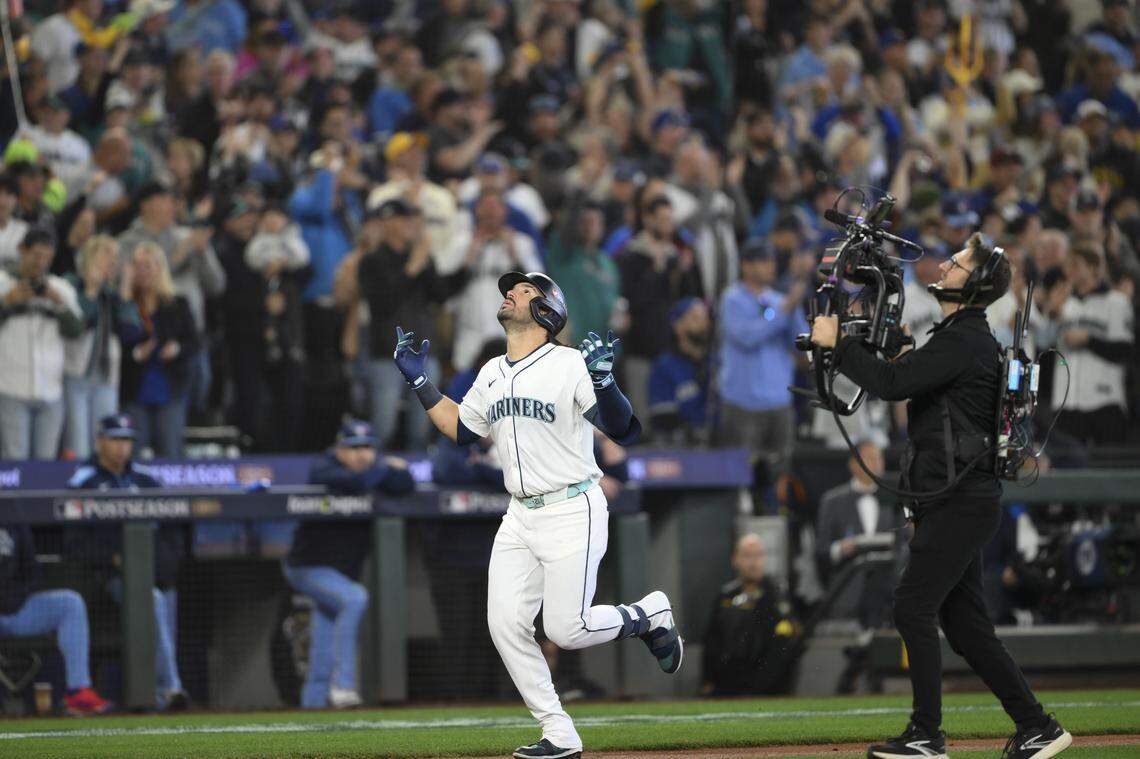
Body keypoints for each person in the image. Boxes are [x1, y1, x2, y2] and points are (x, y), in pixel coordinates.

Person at [394, 271, 682, 759]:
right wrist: (421, 382)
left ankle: (647, 614)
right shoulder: (491, 371)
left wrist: (606, 381)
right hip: (519, 515)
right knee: (505, 625)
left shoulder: (571, 363)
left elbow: (622, 429)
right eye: (510, 288)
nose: (510, 292)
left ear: (547, 310)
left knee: (566, 631)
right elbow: (462, 430)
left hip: (572, 505)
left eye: (523, 290)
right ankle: (559, 731)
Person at [810, 233, 1071, 759]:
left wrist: (838, 343)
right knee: (966, 625)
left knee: (912, 606)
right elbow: (917, 384)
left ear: (972, 284)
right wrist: (900, 352)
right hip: (961, 497)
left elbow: (888, 383)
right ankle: (1037, 726)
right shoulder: (961, 338)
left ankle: (927, 734)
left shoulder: (964, 339)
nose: (945, 265)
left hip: (961, 499)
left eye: (956, 263)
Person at [282, 420, 414, 709]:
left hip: (340, 572)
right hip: (307, 566)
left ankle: (313, 703)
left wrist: (387, 470)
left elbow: (407, 483)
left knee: (326, 629)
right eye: (354, 448)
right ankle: (343, 686)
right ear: (339, 450)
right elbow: (356, 482)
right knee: (355, 598)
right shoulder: (323, 466)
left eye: (367, 448)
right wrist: (384, 466)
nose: (362, 454)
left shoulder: (373, 470)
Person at [67, 413, 188, 710]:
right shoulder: (85, 481)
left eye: (127, 440)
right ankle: (169, 689)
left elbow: (173, 528)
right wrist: (111, 558)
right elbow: (73, 542)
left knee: (161, 595)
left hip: (154, 575)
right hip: (107, 579)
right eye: (115, 439)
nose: (122, 447)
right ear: (99, 442)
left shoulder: (146, 479)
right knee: (153, 598)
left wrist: (163, 565)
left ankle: (163, 693)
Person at [358, 198, 470, 450]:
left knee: (422, 427)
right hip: (387, 353)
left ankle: (416, 481)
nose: (411, 225)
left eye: (411, 219)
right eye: (404, 219)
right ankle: (374, 476)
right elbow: (382, 301)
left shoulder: (420, 256)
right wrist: (412, 268)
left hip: (422, 351)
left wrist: (460, 265)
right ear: (388, 223)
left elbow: (440, 295)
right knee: (383, 426)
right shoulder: (372, 261)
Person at [717, 241, 809, 511]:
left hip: (779, 401)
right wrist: (785, 309)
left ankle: (777, 529)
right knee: (742, 480)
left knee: (780, 476)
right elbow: (748, 336)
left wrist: (792, 306)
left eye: (771, 261)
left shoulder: (780, 301)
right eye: (763, 261)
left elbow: (800, 343)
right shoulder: (732, 299)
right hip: (743, 403)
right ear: (746, 265)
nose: (770, 266)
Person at [815, 441, 903, 694]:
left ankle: (861, 669)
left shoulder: (894, 497)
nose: (876, 463)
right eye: (869, 457)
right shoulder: (832, 501)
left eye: (879, 458)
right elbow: (822, 550)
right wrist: (841, 548)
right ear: (853, 464)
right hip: (849, 587)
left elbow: (905, 543)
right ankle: (855, 672)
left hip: (887, 587)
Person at [0, 521, 112, 715]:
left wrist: (12, 597)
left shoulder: (13, 517)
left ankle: (78, 691)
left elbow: (33, 572)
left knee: (70, 603)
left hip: (15, 610)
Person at [0, 227, 83, 460]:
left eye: (47, 257)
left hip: (50, 392)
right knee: (16, 462)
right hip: (10, 388)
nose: (41, 262)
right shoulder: (3, 282)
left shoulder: (60, 288)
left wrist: (59, 305)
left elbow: (77, 330)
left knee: (45, 465)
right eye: (36, 254)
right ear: (22, 250)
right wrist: (7, 302)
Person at [63, 235, 142, 459]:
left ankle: (100, 492)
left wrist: (126, 290)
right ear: (91, 256)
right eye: (107, 255)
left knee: (104, 445)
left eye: (116, 258)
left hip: (106, 378)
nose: (113, 262)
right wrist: (89, 291)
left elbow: (131, 333)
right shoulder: (71, 283)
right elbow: (75, 326)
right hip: (76, 376)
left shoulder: (112, 295)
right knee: (78, 446)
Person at [120, 242, 199, 457]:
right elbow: (121, 340)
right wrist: (136, 354)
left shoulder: (177, 303)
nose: (143, 271)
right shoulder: (126, 305)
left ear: (160, 269)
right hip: (135, 391)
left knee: (170, 454)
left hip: (169, 390)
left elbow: (195, 342)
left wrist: (177, 348)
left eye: (149, 265)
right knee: (132, 455)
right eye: (138, 266)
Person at [1052, 244, 1134, 446]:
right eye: (1068, 265)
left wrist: (1089, 340)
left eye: (1076, 265)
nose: (1069, 270)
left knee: (1107, 471)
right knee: (1067, 471)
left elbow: (1124, 351)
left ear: (1094, 268)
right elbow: (1044, 348)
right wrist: (1052, 312)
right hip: (1066, 401)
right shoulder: (1063, 303)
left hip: (1105, 402)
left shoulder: (1116, 302)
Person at [701, 534, 800, 697]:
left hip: (766, 689)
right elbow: (712, 641)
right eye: (747, 556)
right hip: (726, 685)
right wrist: (707, 680)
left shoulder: (776, 595)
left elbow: (784, 646)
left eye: (758, 555)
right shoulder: (725, 596)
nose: (753, 562)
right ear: (735, 559)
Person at [648, 297, 712, 444]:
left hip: (721, 446)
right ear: (677, 325)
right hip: (682, 450)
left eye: (705, 318)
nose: (704, 324)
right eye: (695, 318)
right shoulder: (664, 366)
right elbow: (662, 420)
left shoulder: (717, 364)